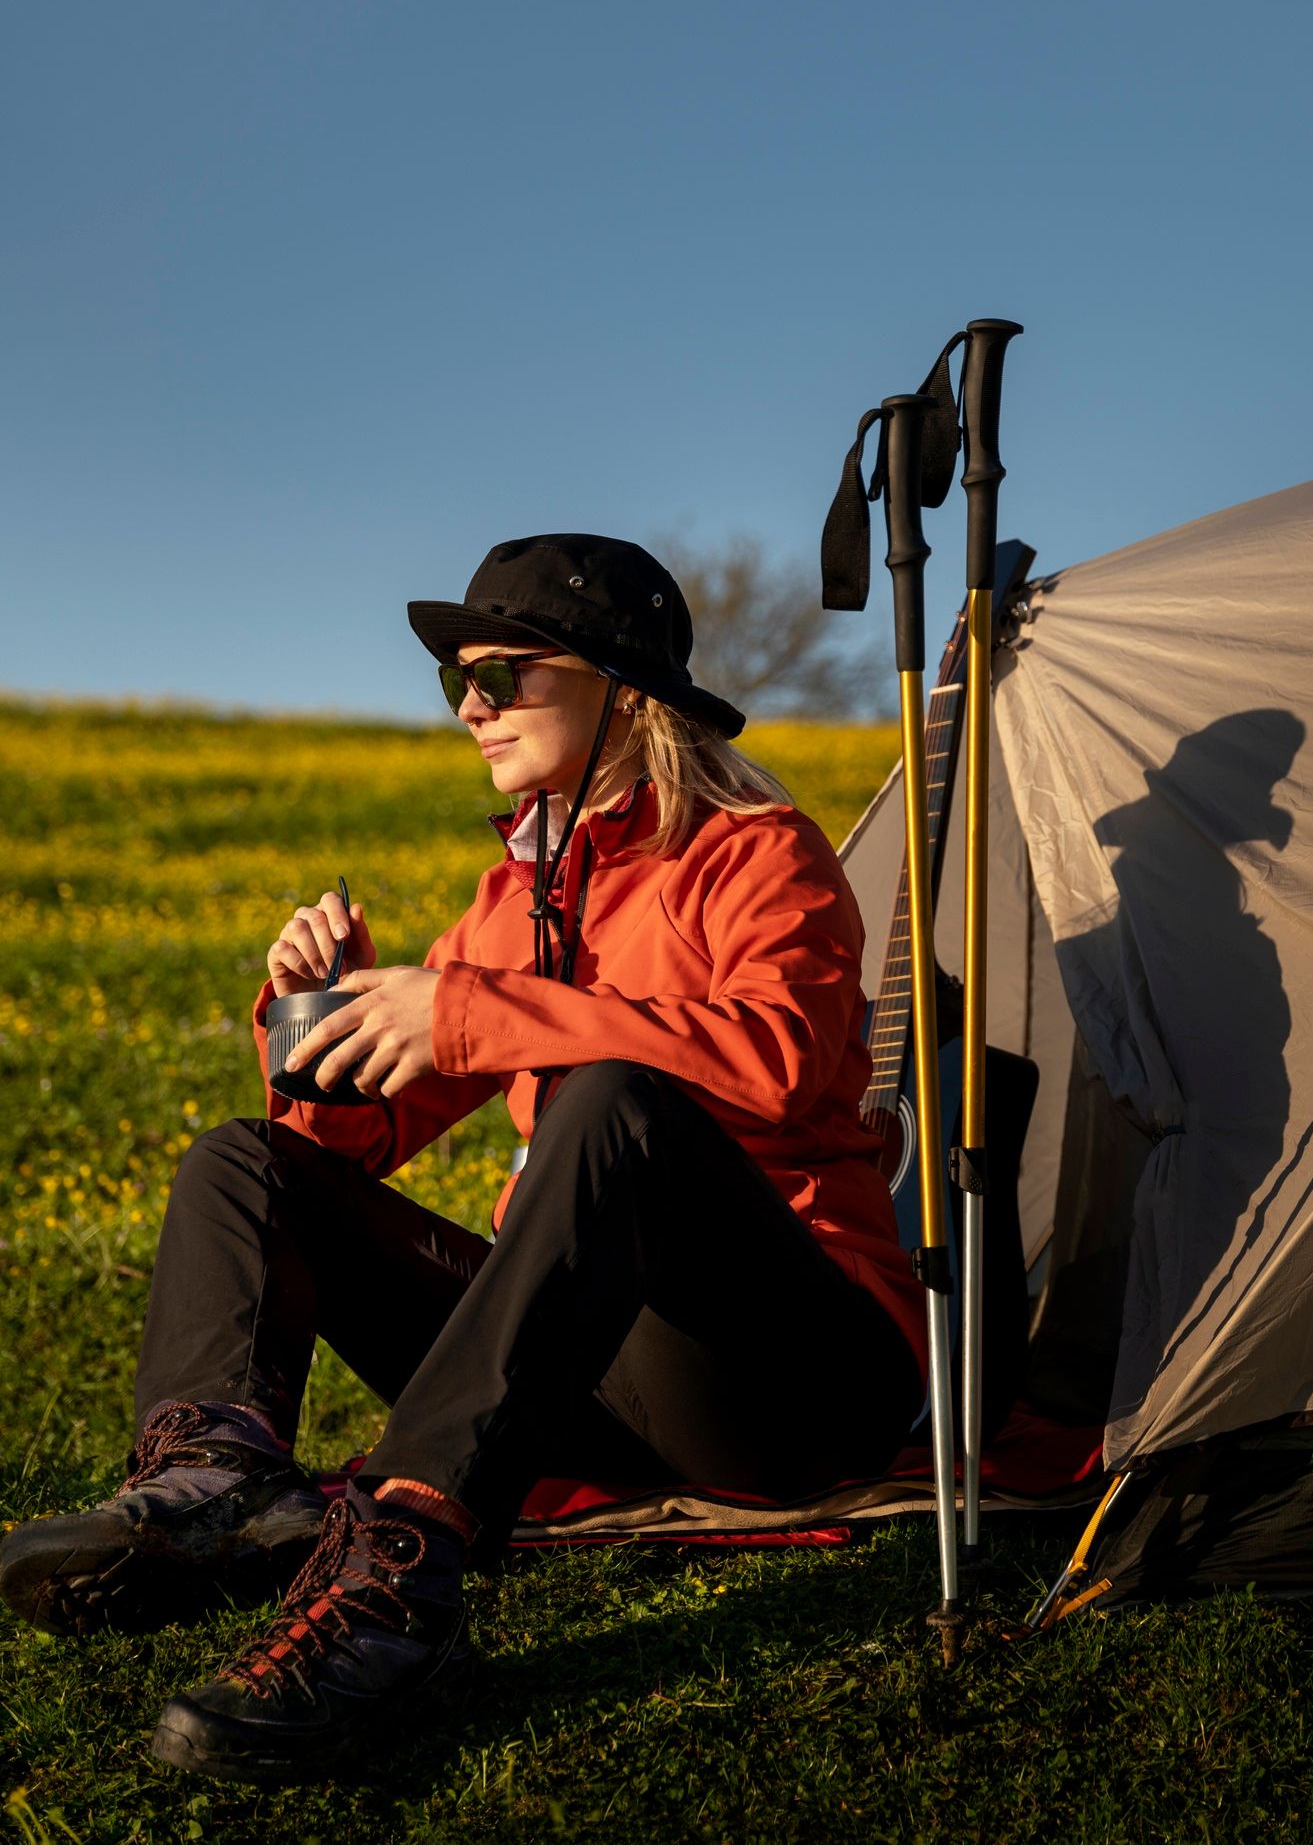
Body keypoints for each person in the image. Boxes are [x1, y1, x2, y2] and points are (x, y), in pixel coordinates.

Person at [0, 532, 927, 1784]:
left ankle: (402, 1575)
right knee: (243, 1158)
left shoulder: (759, 851)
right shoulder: (514, 899)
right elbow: (353, 1141)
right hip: (593, 1390)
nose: (472, 707)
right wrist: (309, 1026)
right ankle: (210, 1490)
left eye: (506, 674)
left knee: (610, 1106)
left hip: (792, 1381)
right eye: (458, 682)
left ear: (622, 687)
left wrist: (476, 1011)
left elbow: (781, 1063)